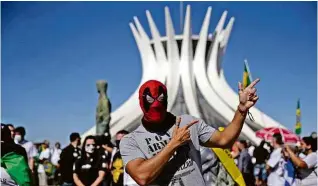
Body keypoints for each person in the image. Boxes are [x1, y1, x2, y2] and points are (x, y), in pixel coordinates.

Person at [119, 79, 260, 185]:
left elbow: (224, 140)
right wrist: (172, 144)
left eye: (160, 100)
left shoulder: (189, 123)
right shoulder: (130, 140)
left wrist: (241, 110)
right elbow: (142, 177)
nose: (156, 106)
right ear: (142, 103)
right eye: (150, 101)